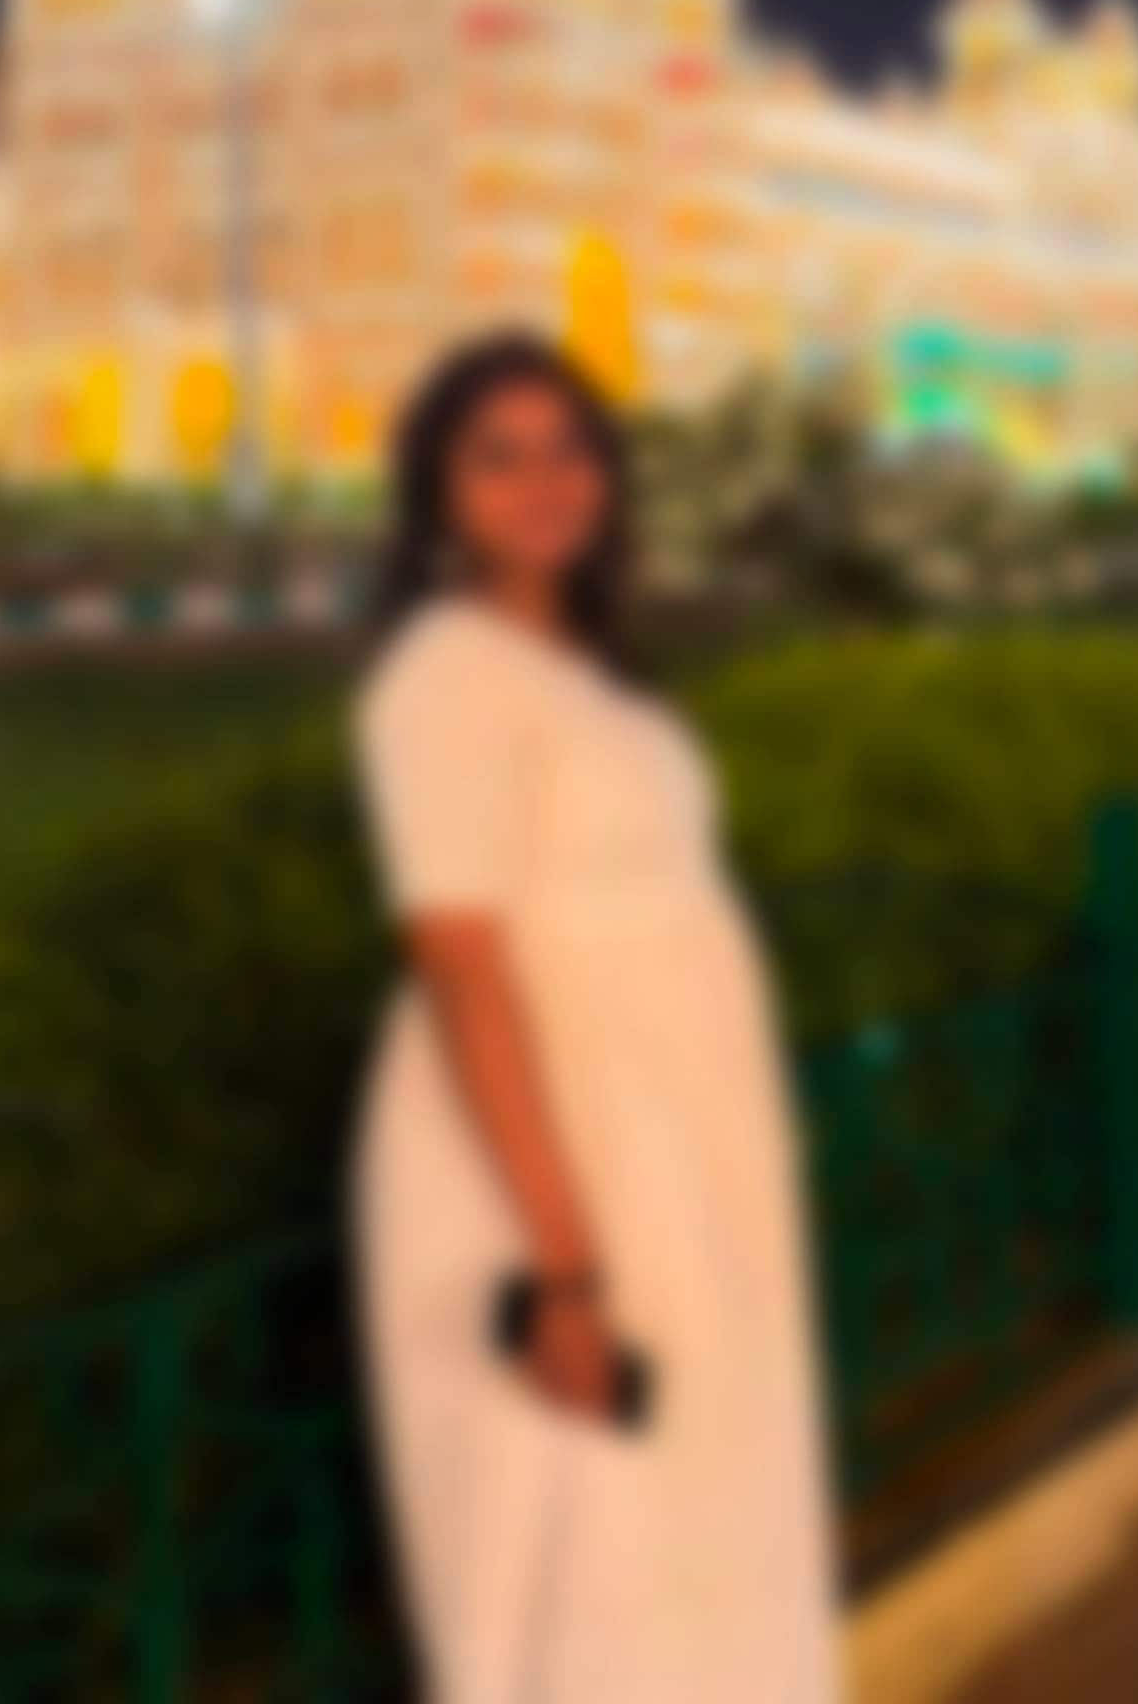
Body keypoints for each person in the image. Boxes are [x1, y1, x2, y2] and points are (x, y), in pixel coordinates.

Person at [351, 331, 839, 1703]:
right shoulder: (442, 675)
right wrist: (562, 1265)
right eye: (496, 458)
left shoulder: (576, 667)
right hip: (559, 1165)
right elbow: (459, 958)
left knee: (696, 1527)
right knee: (593, 1557)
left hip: (670, 1153)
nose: (543, 483)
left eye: (567, 448)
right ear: (438, 492)